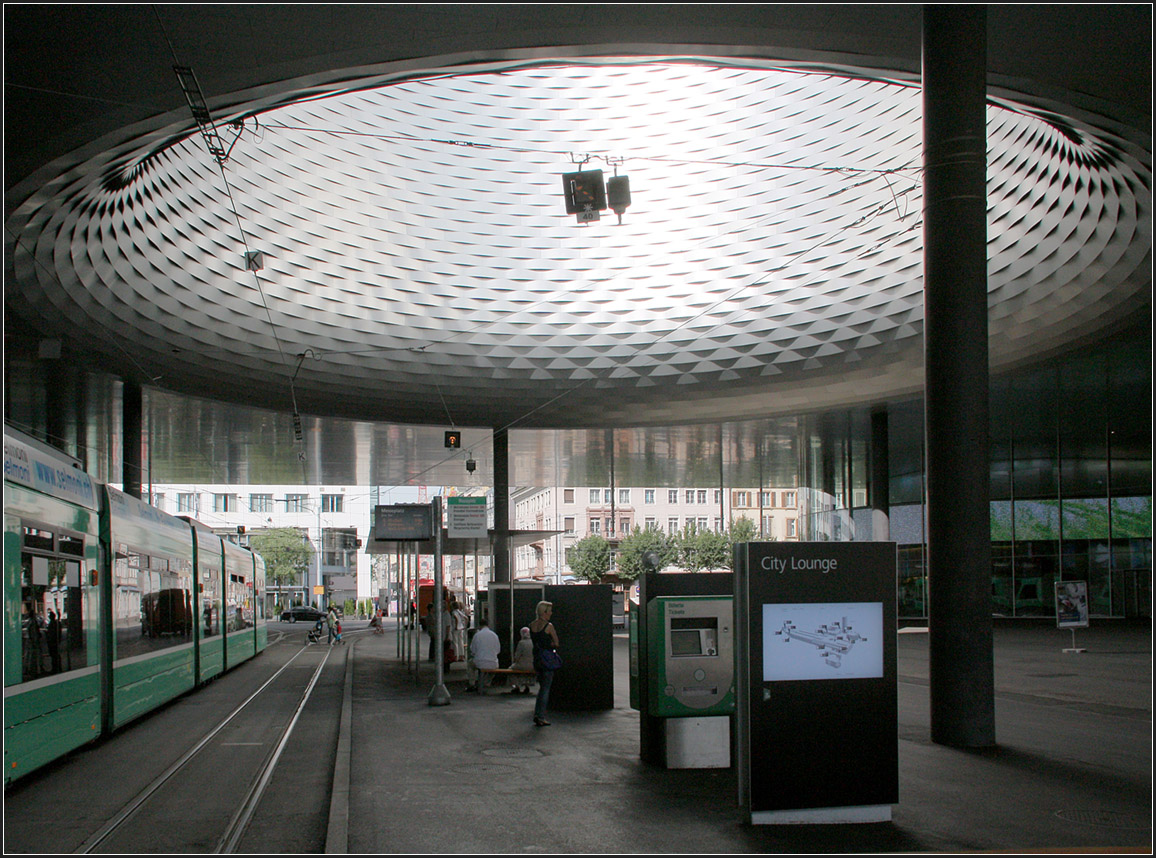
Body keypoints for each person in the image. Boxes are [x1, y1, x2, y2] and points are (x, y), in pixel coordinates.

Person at [529, 601, 560, 726]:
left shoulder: (532, 625)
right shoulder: (549, 626)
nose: (551, 613)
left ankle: (537, 714)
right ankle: (540, 716)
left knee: (541, 687)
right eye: (550, 611)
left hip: (537, 659)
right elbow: (556, 642)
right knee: (545, 689)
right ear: (545, 612)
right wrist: (549, 645)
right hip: (547, 659)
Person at [466, 619, 501, 692]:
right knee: (492, 670)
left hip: (479, 661)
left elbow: (473, 650)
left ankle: (472, 684)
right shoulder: (494, 635)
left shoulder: (477, 635)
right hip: (493, 662)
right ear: (488, 625)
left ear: (479, 626)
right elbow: (498, 650)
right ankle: (486, 683)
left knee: (470, 665)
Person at [509, 626, 535, 694]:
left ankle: (516, 686)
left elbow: (517, 656)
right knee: (525, 673)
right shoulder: (533, 642)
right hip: (533, 665)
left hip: (522, 665)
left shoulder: (521, 643)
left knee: (510, 670)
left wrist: (515, 661)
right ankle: (526, 686)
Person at [46, 610, 62, 674]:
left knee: (54, 655)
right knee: (55, 655)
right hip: (54, 641)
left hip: (53, 641)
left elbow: (52, 633)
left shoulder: (53, 623)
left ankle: (55, 668)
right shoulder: (56, 623)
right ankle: (56, 667)